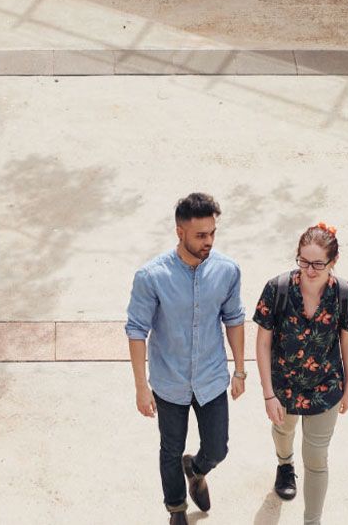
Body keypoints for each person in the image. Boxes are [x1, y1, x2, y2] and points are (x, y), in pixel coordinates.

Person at [126, 193, 246, 525]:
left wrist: (240, 370)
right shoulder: (151, 276)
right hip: (170, 380)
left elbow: (234, 319)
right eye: (200, 235)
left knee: (218, 448)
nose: (209, 241)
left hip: (211, 378)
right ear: (180, 232)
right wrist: (141, 387)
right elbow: (136, 331)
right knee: (170, 449)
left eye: (212, 233)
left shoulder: (227, 270)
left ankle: (197, 470)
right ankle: (176, 509)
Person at [252, 223, 348, 525]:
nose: (309, 270)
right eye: (303, 261)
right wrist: (268, 393)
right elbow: (262, 343)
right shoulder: (277, 289)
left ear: (333, 261)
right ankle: (285, 464)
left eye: (318, 264)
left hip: (326, 386)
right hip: (283, 384)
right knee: (283, 432)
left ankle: (312, 521)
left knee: (316, 458)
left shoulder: (345, 294)